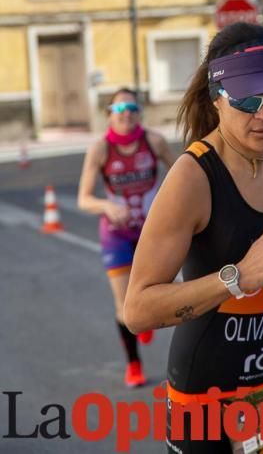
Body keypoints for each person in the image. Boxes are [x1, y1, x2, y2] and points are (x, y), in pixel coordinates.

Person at [124, 23, 263, 451]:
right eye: (246, 100)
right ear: (217, 100)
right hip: (208, 393)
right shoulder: (193, 179)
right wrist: (235, 278)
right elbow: (137, 310)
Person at [78, 87, 176, 387]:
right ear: (109, 114)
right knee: (123, 306)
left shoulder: (154, 142)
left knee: (158, 293)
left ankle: (143, 320)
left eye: (133, 109)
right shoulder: (100, 149)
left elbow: (184, 175)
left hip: (152, 233)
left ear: (140, 113)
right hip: (116, 235)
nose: (127, 115)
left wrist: (171, 205)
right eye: (120, 110)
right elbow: (83, 199)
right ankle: (134, 364)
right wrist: (106, 205)